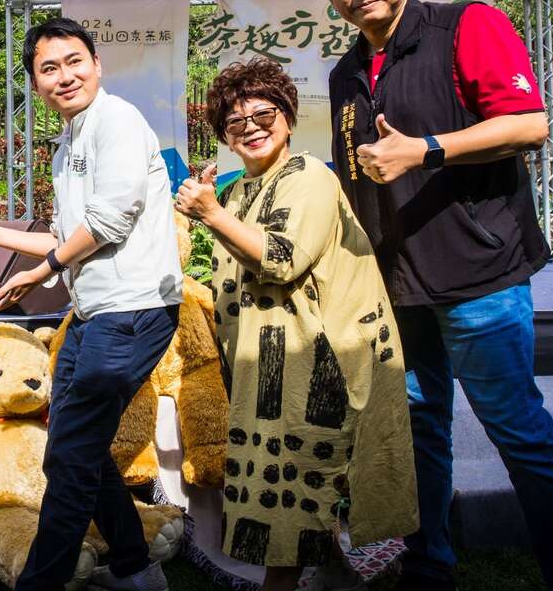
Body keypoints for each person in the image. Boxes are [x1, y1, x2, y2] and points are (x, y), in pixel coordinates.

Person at [318, 0, 553, 591]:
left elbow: (529, 124)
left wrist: (426, 149)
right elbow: (360, 178)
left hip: (481, 278)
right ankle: (429, 567)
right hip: (399, 287)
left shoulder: (466, 25)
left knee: (519, 431)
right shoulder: (345, 74)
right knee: (421, 432)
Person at [0, 17, 183, 591]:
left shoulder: (117, 120)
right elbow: (66, 238)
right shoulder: (67, 144)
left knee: (70, 459)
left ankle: (41, 582)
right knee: (71, 453)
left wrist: (44, 269)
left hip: (132, 311)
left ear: (97, 64)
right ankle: (136, 568)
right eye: (49, 68)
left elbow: (109, 221)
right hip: (94, 315)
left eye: (74, 62)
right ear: (36, 83)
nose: (64, 76)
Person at [174, 58, 416, 591]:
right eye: (235, 122)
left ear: (287, 118)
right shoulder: (238, 191)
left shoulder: (308, 176)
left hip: (314, 361)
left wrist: (211, 214)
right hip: (264, 368)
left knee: (287, 491)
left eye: (264, 115)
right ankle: (337, 574)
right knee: (295, 487)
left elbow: (282, 259)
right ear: (224, 136)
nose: (251, 128)